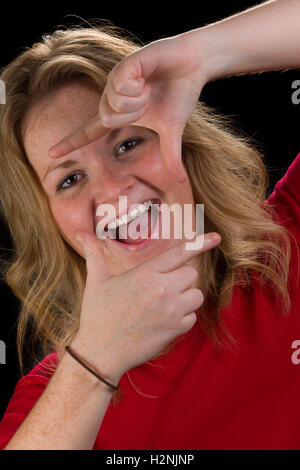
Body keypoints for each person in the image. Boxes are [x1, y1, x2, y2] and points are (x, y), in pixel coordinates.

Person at [0, 0, 299, 450]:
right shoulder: (49, 405)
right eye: (70, 179)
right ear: (52, 223)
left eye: (128, 144)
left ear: (182, 142)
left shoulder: (290, 235)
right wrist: (95, 364)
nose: (115, 190)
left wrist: (203, 52)